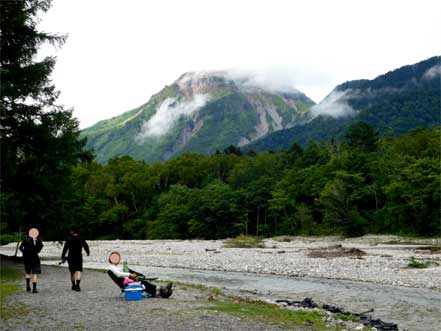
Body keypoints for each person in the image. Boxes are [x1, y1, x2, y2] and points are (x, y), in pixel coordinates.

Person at [107, 251, 173, 298]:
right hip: (125, 283)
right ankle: (161, 291)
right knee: (142, 283)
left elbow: (127, 271)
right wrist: (130, 275)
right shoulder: (111, 267)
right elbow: (119, 275)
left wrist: (139, 275)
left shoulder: (117, 267)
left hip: (127, 281)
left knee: (142, 282)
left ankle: (161, 291)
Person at [61, 227, 90, 292]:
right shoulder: (81, 238)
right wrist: (88, 252)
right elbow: (86, 246)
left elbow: (65, 249)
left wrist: (62, 256)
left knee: (72, 272)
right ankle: (78, 286)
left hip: (71, 257)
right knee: (78, 271)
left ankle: (73, 285)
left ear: (73, 231)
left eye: (71, 231)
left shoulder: (68, 239)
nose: (70, 232)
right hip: (78, 257)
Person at [19, 229, 43, 293]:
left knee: (28, 272)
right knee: (34, 273)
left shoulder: (25, 239)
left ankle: (27, 286)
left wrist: (24, 252)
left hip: (27, 258)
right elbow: (41, 246)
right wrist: (37, 251)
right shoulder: (38, 239)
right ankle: (34, 289)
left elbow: (20, 247)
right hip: (35, 258)